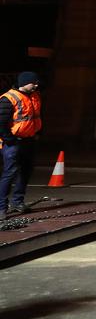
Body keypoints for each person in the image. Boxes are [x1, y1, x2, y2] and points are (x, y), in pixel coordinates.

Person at [0, 71, 43, 221]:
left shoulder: (34, 95)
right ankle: (1, 208)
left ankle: (18, 201)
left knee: (25, 172)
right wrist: (9, 139)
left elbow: (35, 117)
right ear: (24, 82)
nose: (36, 85)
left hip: (28, 140)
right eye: (34, 82)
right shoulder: (8, 98)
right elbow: (1, 123)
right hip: (14, 142)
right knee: (9, 173)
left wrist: (37, 133)